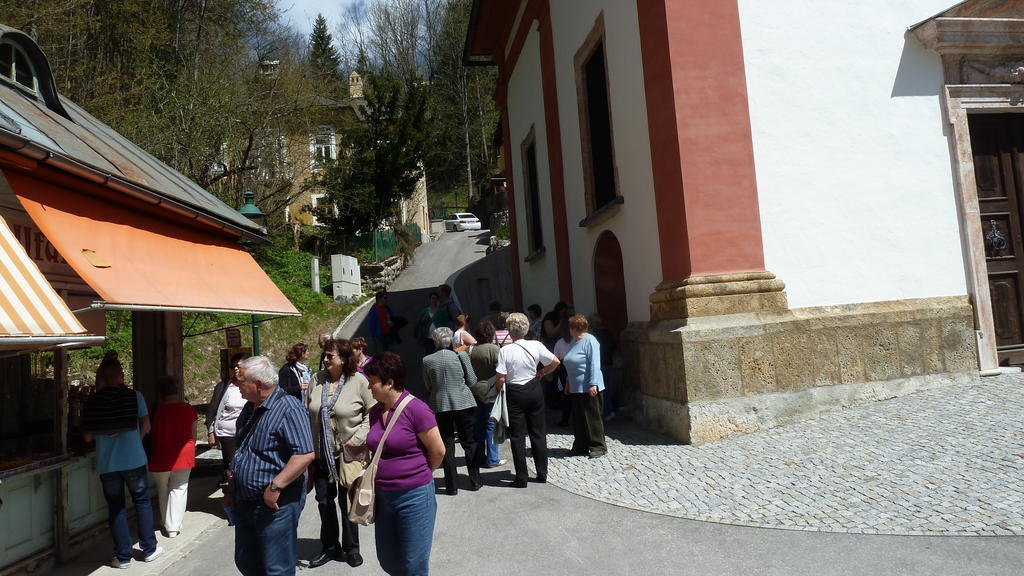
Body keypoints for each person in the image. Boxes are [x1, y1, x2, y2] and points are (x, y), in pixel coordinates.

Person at [228, 356, 315, 576]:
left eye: (241, 381)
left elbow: (304, 454)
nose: (237, 386)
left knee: (277, 568)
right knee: (247, 562)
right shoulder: (250, 407)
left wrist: (276, 486)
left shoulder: (289, 408)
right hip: (246, 502)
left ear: (257, 384)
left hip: (275, 505)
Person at [363, 353, 445, 576]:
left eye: (373, 383)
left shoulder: (417, 410)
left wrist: (422, 473)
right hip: (383, 497)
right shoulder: (376, 412)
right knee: (389, 560)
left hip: (414, 496)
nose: (369, 387)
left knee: (414, 565)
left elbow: (438, 451)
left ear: (389, 383)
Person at [81, 351, 163, 568]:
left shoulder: (93, 402)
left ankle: (123, 557)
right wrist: (135, 440)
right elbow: (146, 425)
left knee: (116, 507)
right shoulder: (135, 396)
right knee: (142, 502)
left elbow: (88, 436)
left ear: (102, 378)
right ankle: (149, 549)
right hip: (134, 459)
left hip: (108, 464)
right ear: (121, 375)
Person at [307, 339, 375, 569]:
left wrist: (355, 441)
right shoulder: (317, 380)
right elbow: (308, 412)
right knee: (324, 502)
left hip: (349, 454)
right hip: (320, 454)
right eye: (325, 356)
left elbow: (372, 414)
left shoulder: (359, 382)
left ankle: (351, 548)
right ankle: (329, 547)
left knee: (348, 502)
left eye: (330, 356)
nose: (325, 360)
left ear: (344, 359)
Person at [495, 313, 561, 488]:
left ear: (510, 331)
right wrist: (542, 373)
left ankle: (522, 477)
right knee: (538, 432)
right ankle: (542, 473)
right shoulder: (536, 345)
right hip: (534, 388)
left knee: (517, 436)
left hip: (515, 391)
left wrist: (497, 391)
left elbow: (501, 377)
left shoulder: (505, 350)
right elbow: (555, 361)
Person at [421, 327, 481, 494]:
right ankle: (475, 480)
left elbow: (428, 385)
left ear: (435, 341)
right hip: (463, 403)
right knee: (469, 442)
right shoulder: (461, 356)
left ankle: (451, 486)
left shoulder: (427, 360)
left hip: (440, 405)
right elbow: (472, 380)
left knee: (446, 444)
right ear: (450, 341)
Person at [149, 375, 197, 538]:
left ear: (159, 393)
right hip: (184, 453)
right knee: (179, 488)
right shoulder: (188, 409)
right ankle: (173, 526)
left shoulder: (154, 410)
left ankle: (165, 521)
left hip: (160, 453)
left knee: (162, 489)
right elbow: (193, 434)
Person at [562, 315, 608, 458]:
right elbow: (571, 363)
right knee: (579, 418)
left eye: (570, 327)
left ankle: (598, 446)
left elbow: (595, 363)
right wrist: (568, 381)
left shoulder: (590, 341)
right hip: (576, 387)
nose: (568, 329)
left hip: (588, 386)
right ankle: (581, 445)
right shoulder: (575, 342)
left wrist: (593, 383)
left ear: (574, 328)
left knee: (592, 417)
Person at [469, 321, 505, 469]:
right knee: (492, 423)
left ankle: (478, 457)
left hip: (474, 389)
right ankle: (493, 458)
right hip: (491, 389)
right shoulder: (495, 349)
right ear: (491, 333)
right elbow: (501, 371)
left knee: (478, 424)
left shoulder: (470, 350)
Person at [209, 353, 248, 474]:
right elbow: (212, 410)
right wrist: (211, 432)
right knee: (232, 464)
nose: (235, 369)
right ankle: (230, 488)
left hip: (247, 432)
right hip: (227, 433)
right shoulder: (223, 387)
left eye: (238, 366)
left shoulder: (252, 385)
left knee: (246, 463)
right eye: (233, 366)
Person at [551, 321, 575, 427]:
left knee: (565, 396)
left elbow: (556, 359)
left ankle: (565, 419)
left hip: (564, 368)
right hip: (575, 368)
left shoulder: (559, 342)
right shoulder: (577, 340)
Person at [417, 292, 448, 356]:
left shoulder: (441, 311)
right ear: (429, 299)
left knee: (442, 354)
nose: (434, 300)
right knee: (429, 354)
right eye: (433, 298)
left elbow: (445, 323)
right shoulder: (424, 311)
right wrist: (423, 320)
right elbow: (419, 323)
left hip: (439, 337)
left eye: (436, 299)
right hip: (428, 338)